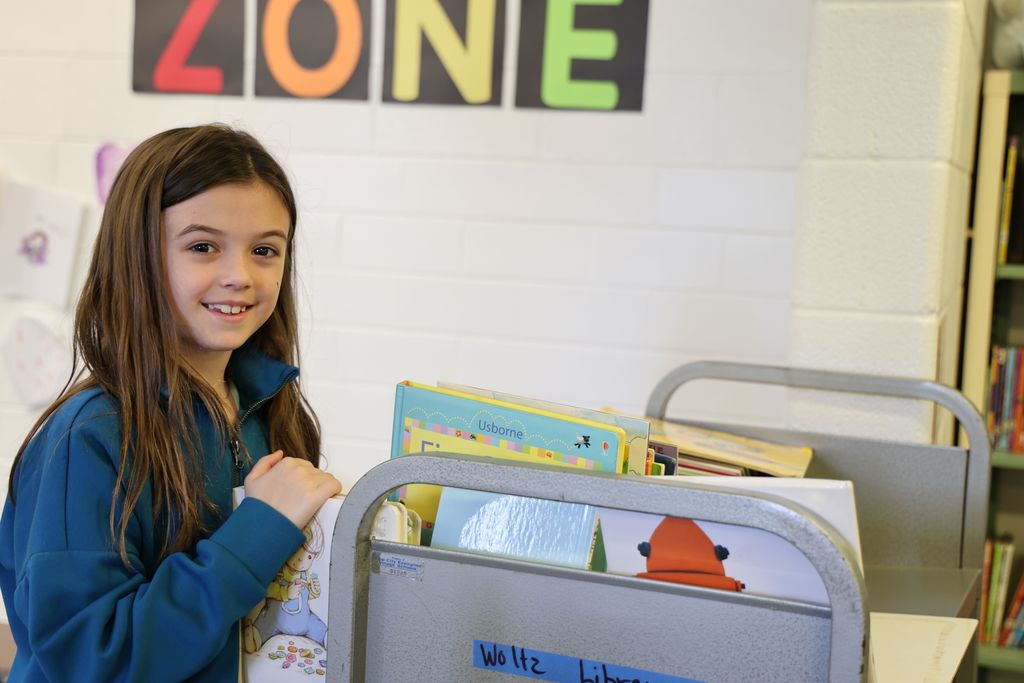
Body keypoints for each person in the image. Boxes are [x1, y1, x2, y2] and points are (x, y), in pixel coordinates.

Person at [0, 124, 343, 682]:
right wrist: (259, 529)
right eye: (203, 247)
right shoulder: (87, 439)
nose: (240, 276)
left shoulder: (276, 411)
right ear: (137, 255)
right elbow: (93, 661)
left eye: (265, 250)